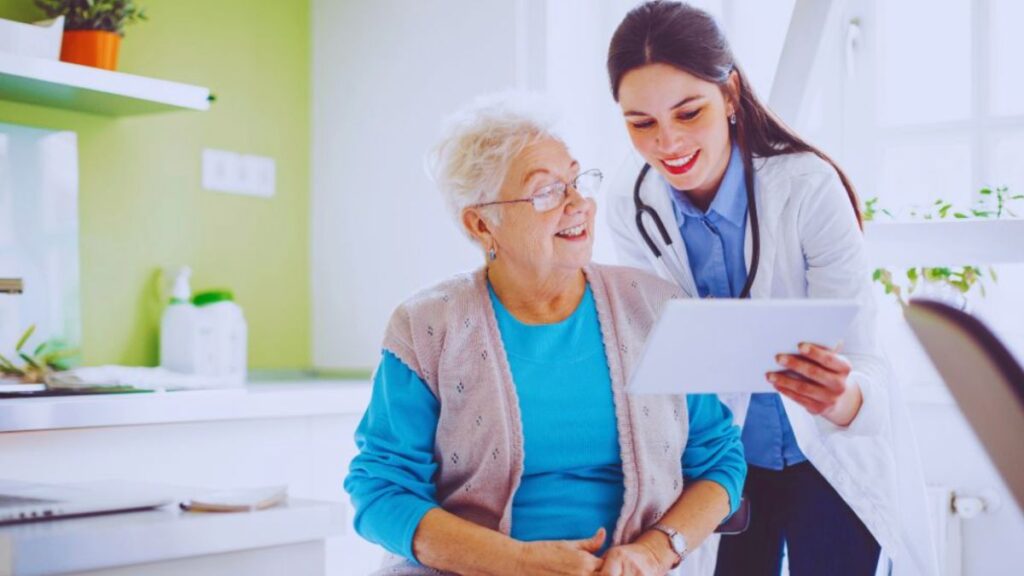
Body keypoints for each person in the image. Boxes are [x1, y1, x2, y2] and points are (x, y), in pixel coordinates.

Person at [344, 94, 746, 575]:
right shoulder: (428, 326)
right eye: (546, 192)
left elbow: (720, 459)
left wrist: (653, 552)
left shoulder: (657, 308)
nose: (578, 204)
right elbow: (381, 491)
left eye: (576, 181)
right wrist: (510, 561)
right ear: (481, 223)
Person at [603, 2, 939, 575]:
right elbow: (660, 352)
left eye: (688, 113)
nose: (668, 144)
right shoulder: (631, 205)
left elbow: (862, 359)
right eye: (642, 123)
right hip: (721, 466)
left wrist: (841, 397)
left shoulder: (808, 188)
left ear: (730, 94)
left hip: (828, 461)